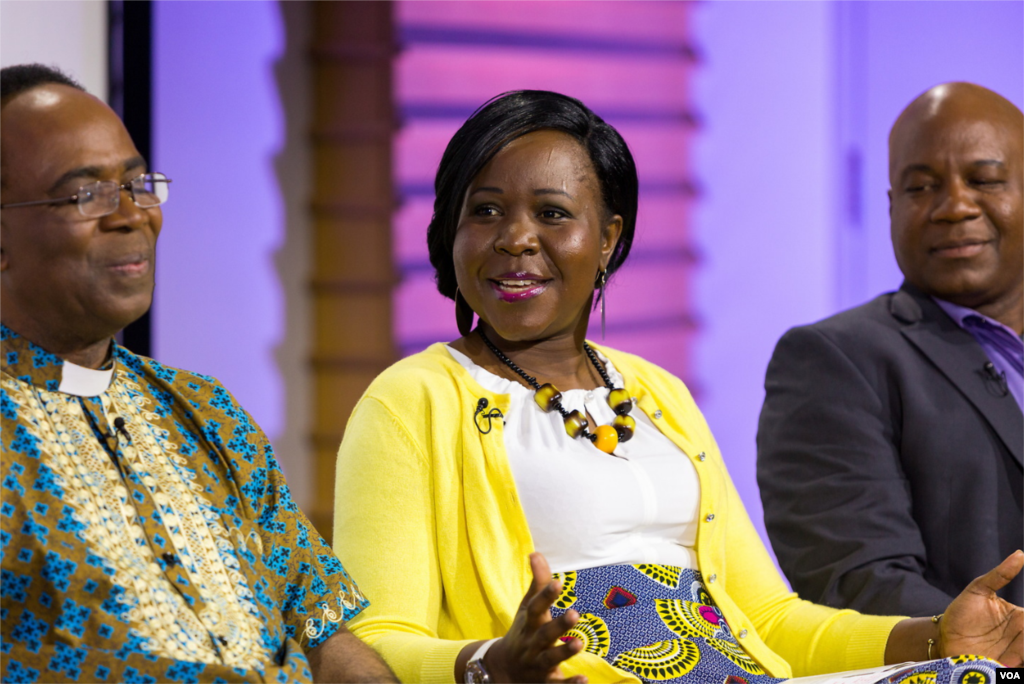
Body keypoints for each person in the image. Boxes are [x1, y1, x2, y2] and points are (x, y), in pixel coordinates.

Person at [333, 89, 1024, 684]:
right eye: (484, 212)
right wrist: (493, 663)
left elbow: (766, 621)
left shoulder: (656, 392)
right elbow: (374, 638)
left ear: (607, 239)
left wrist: (933, 637)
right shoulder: (412, 399)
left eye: (551, 214)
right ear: (450, 231)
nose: (515, 239)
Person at [0, 64, 398, 683]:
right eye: (87, 194)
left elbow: (320, 629)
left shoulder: (203, 410)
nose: (132, 215)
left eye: (138, 184)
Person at [757, 82, 1024, 619]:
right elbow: (859, 581)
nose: (954, 207)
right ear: (891, 206)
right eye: (921, 188)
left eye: (984, 180)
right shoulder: (831, 360)